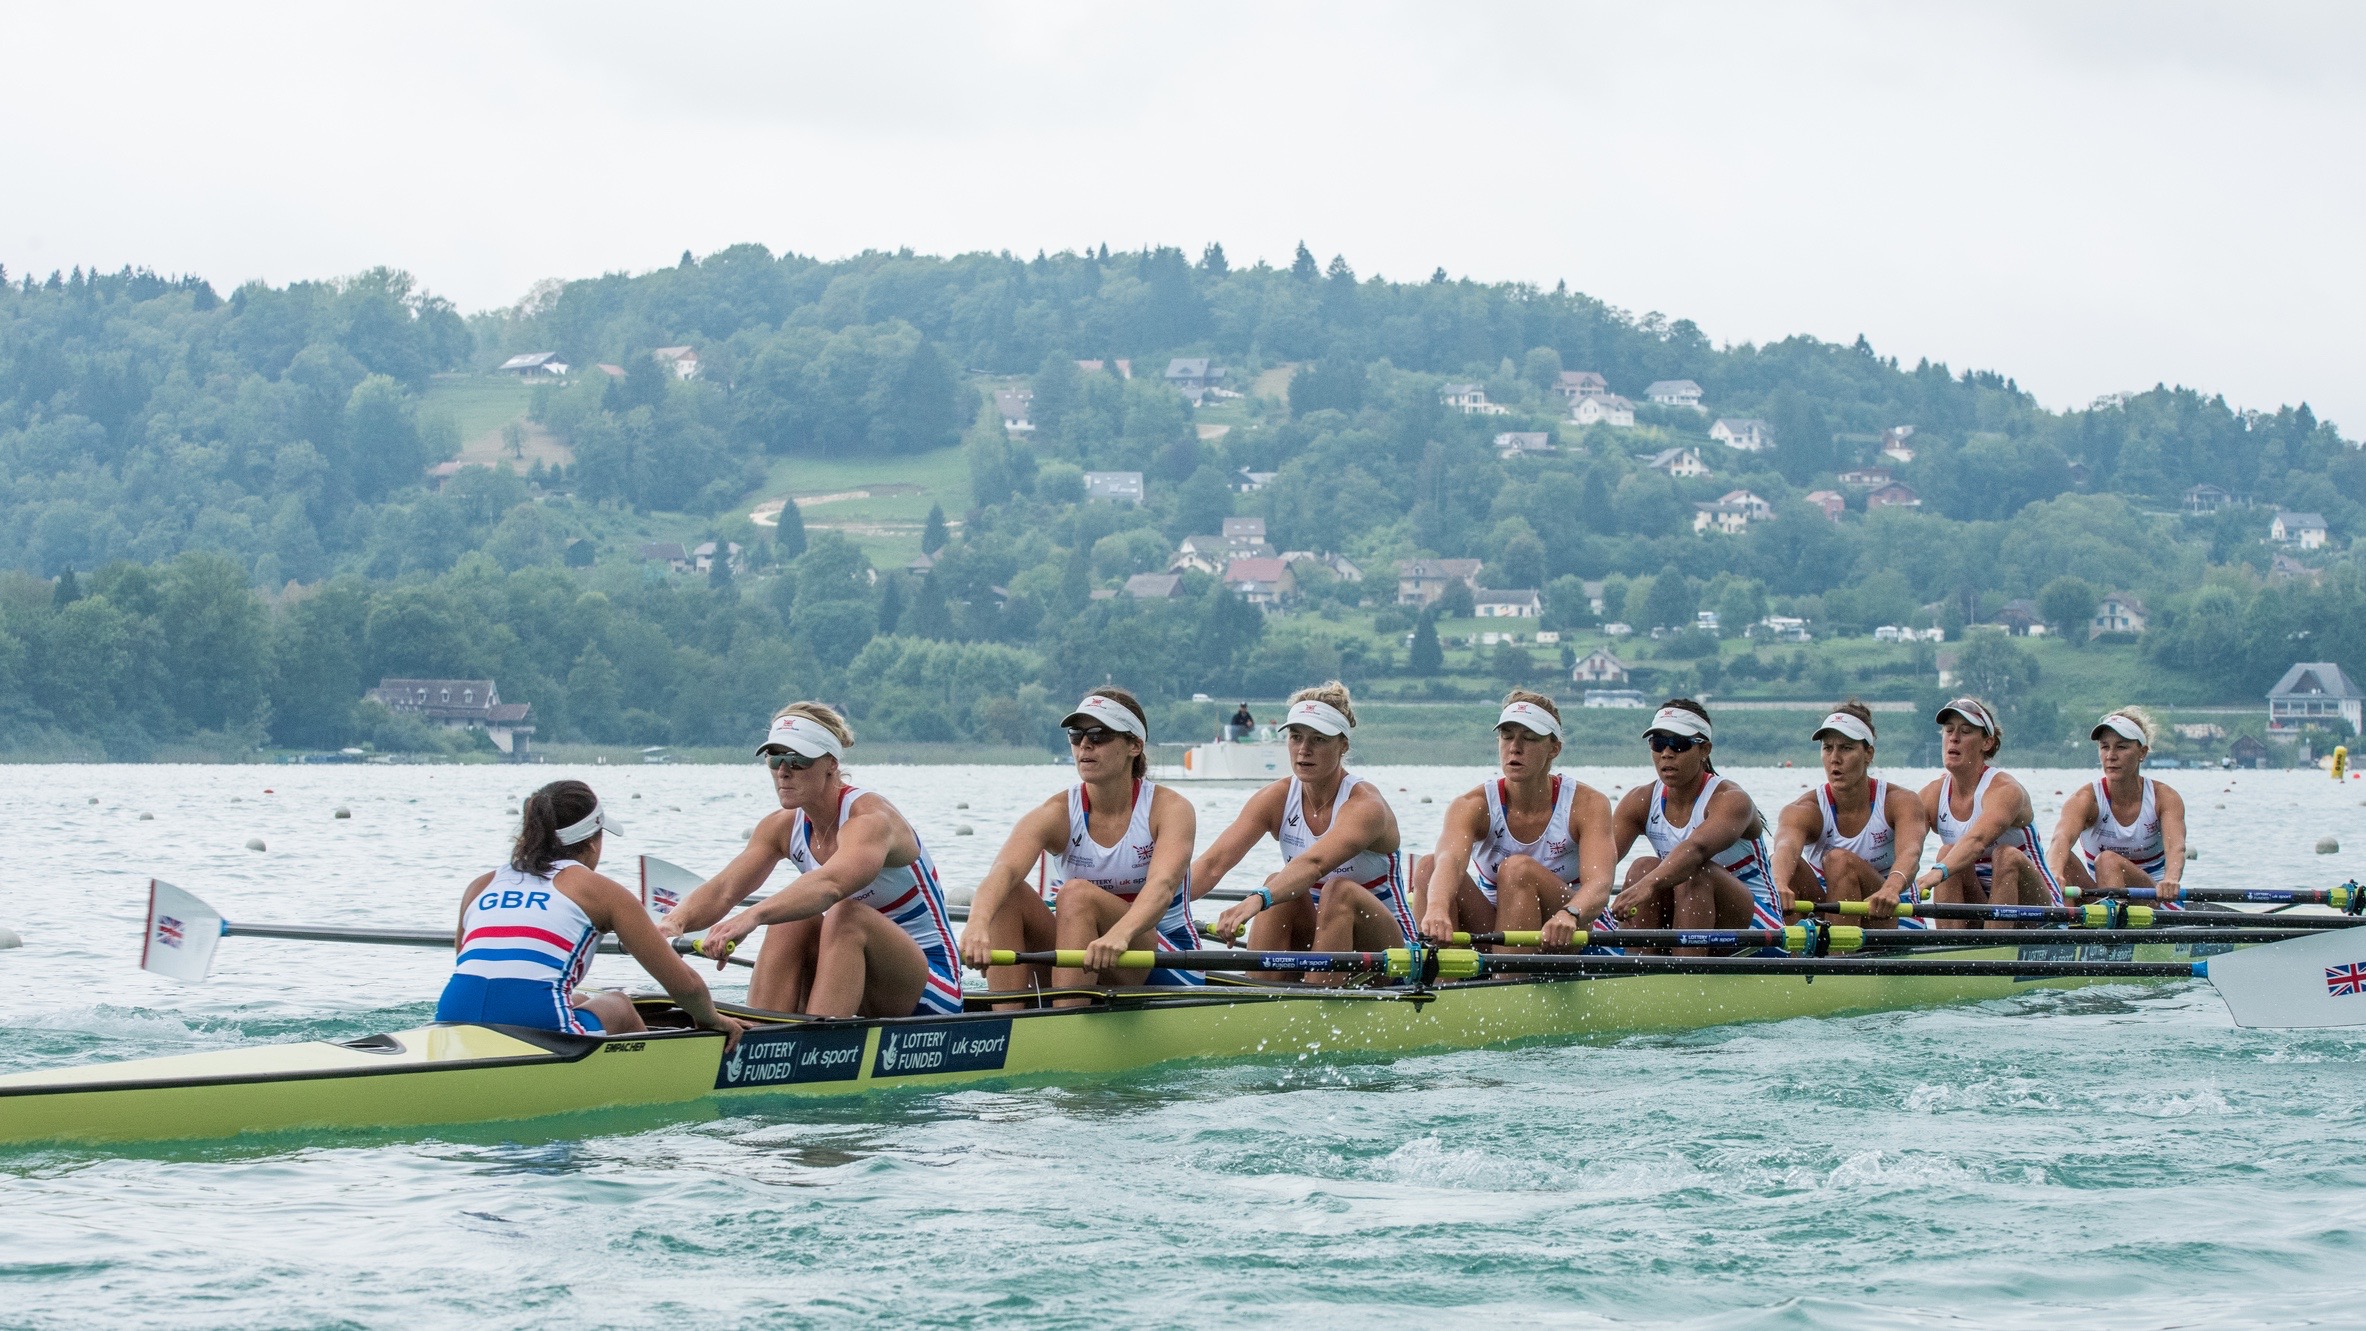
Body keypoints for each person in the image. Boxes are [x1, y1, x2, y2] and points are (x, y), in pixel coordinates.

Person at [662, 703, 965, 1018]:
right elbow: (725, 889)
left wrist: (751, 917)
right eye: (775, 758)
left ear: (831, 764)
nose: (784, 770)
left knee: (846, 915)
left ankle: (815, 1049)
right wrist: (673, 923)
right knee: (790, 921)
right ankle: (757, 1035)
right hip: (857, 977)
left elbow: (831, 885)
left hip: (933, 988)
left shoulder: (871, 819)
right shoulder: (781, 827)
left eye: (797, 759)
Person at [436, 779, 746, 1049]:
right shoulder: (603, 893)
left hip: (452, 1011)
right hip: (539, 1023)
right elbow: (685, 986)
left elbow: (486, 972)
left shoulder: (480, 886)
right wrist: (714, 1020)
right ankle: (649, 1081)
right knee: (619, 1005)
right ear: (593, 842)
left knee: (580, 999)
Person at [958, 688, 1202, 1000]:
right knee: (1009, 893)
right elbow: (1002, 872)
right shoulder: (1056, 812)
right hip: (1086, 954)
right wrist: (976, 925)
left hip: (1163, 959)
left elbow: (1163, 887)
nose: (1085, 744)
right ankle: (1008, 1026)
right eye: (1076, 734)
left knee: (1075, 895)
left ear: (1134, 746)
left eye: (1099, 735)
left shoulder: (1170, 809)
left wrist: (1119, 934)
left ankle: (1065, 1020)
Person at [1198, 683, 1417, 981]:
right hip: (1320, 939)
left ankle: (1315, 1002)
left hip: (1392, 954)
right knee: (1277, 885)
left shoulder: (1365, 805)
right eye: (1296, 737)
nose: (1304, 750)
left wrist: (1256, 900)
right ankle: (1257, 997)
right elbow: (1212, 865)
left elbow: (1315, 864)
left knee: (1336, 890)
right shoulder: (1275, 798)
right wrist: (1145, 909)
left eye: (1319, 739)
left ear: (1343, 746)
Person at [1413, 691, 1617, 955]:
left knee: (1518, 869)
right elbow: (1449, 861)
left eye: (1529, 738)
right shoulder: (1471, 805)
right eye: (1507, 737)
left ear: (1554, 749)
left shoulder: (1588, 804)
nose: (1515, 747)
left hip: (1572, 928)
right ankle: (1440, 984)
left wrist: (1570, 913)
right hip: (1499, 926)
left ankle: (1507, 982)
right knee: (1428, 867)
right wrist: (1437, 908)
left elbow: (1600, 885)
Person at [1609, 700, 1785, 948]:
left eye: (1679, 744)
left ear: (1705, 750)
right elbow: (1597, 864)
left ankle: (1688, 973)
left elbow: (1696, 850)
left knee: (1694, 870)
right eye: (1658, 744)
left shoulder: (1732, 800)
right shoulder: (1640, 800)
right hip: (1693, 915)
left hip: (1760, 927)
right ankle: (1641, 970)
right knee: (1642, 867)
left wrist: (1646, 886)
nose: (1666, 754)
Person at [1770, 703, 1930, 925]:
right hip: (1830, 909)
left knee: (1839, 861)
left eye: (1846, 748)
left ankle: (1837, 958)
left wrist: (1891, 888)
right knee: (1787, 870)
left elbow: (1911, 854)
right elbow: (1785, 848)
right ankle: (1801, 956)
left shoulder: (1900, 801)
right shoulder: (1804, 809)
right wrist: (1779, 883)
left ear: (1868, 754)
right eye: (1828, 748)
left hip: (1892, 911)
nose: (1835, 758)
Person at [1914, 696, 2063, 930]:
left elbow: (1977, 841)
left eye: (1965, 731)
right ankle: (1951, 951)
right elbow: (1904, 847)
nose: (1954, 738)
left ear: (1987, 743)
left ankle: (1995, 947)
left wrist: (1935, 874)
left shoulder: (2005, 790)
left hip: (2038, 910)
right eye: (1948, 730)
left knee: (2006, 855)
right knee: (1946, 852)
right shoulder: (1933, 794)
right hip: (1982, 903)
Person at [2048, 707, 2188, 905]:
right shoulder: (2085, 799)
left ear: (2142, 752)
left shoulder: (2164, 797)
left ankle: (2110, 928)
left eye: (2121, 747)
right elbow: (2060, 840)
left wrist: (2171, 879)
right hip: (2104, 894)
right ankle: (2065, 927)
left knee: (2108, 861)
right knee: (2063, 861)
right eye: (2105, 747)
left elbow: (2176, 848)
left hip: (2155, 901)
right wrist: (2055, 872)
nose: (2111, 756)